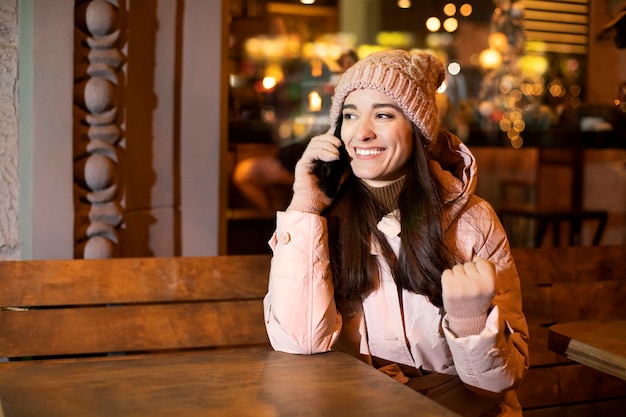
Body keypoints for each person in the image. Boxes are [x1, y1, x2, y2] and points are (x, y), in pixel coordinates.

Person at [263, 49, 529, 417]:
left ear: (418, 130)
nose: (362, 132)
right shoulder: (323, 217)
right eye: (350, 115)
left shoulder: (474, 220)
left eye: (384, 114)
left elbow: (497, 384)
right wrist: (304, 205)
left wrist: (471, 324)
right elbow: (299, 342)